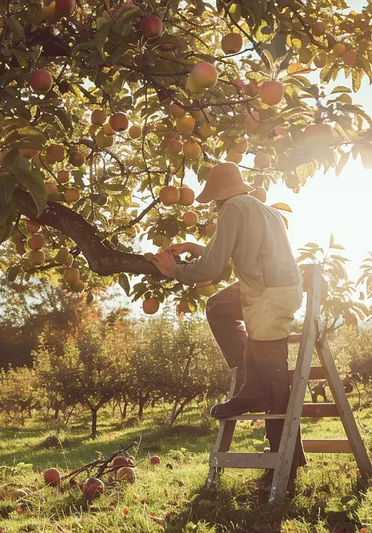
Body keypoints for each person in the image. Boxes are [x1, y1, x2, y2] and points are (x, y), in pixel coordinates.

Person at [151, 162, 306, 492]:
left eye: (212, 199)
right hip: (268, 288)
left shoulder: (233, 208)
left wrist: (174, 271)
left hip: (268, 295)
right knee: (219, 306)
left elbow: (214, 267)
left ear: (219, 196)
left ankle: (286, 469)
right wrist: (194, 248)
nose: (212, 205)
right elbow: (224, 256)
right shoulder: (261, 209)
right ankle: (252, 378)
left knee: (276, 382)